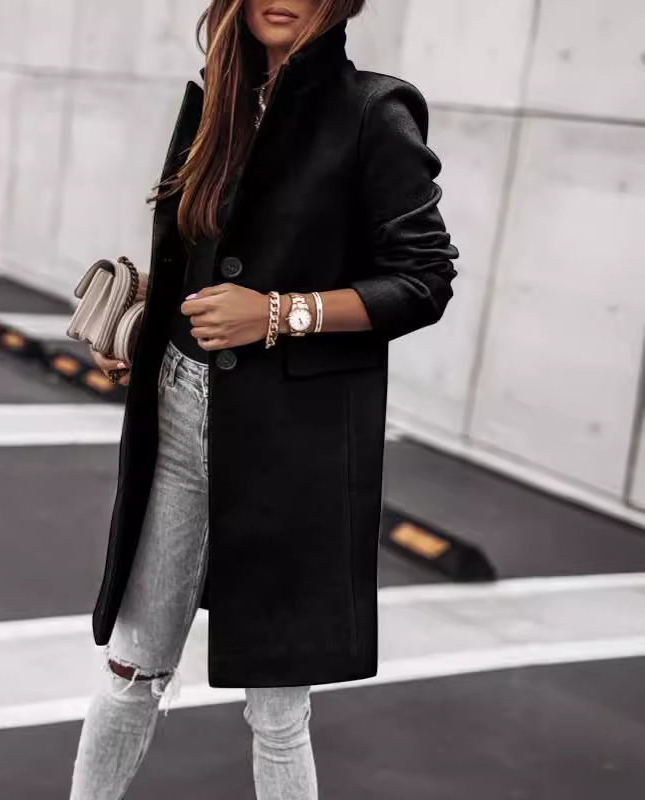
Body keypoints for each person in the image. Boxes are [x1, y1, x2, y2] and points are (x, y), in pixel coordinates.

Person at [70, 1, 459, 797]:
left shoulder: (374, 112)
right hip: (179, 409)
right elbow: (199, 259)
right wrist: (146, 334)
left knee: (277, 706)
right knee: (130, 668)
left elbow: (424, 280)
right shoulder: (215, 104)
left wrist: (281, 314)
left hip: (291, 441)